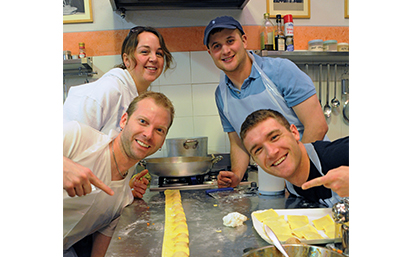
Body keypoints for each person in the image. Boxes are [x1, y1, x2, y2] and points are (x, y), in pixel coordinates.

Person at [203, 16, 328, 188]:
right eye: (217, 46)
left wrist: (297, 176)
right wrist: (237, 175)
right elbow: (238, 143)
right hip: (273, 175)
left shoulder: (280, 71)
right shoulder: (221, 95)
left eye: (230, 41)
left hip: (316, 170)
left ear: (244, 40)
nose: (225, 51)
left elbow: (317, 126)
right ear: (210, 53)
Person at [63, 26, 174, 198]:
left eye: (159, 53)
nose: (153, 58)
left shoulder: (135, 97)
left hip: (95, 201)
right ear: (127, 59)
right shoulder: (110, 89)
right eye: (145, 52)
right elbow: (73, 147)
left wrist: (126, 186)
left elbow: (108, 159)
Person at [63, 91, 175, 257]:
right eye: (143, 121)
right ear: (124, 120)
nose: (148, 134)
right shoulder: (78, 137)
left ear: (162, 142)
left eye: (159, 130)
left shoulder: (124, 198)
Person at [240, 109, 349, 207]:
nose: (271, 153)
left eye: (274, 137)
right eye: (258, 150)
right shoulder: (291, 186)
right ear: (255, 161)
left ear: (294, 133)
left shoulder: (340, 154)